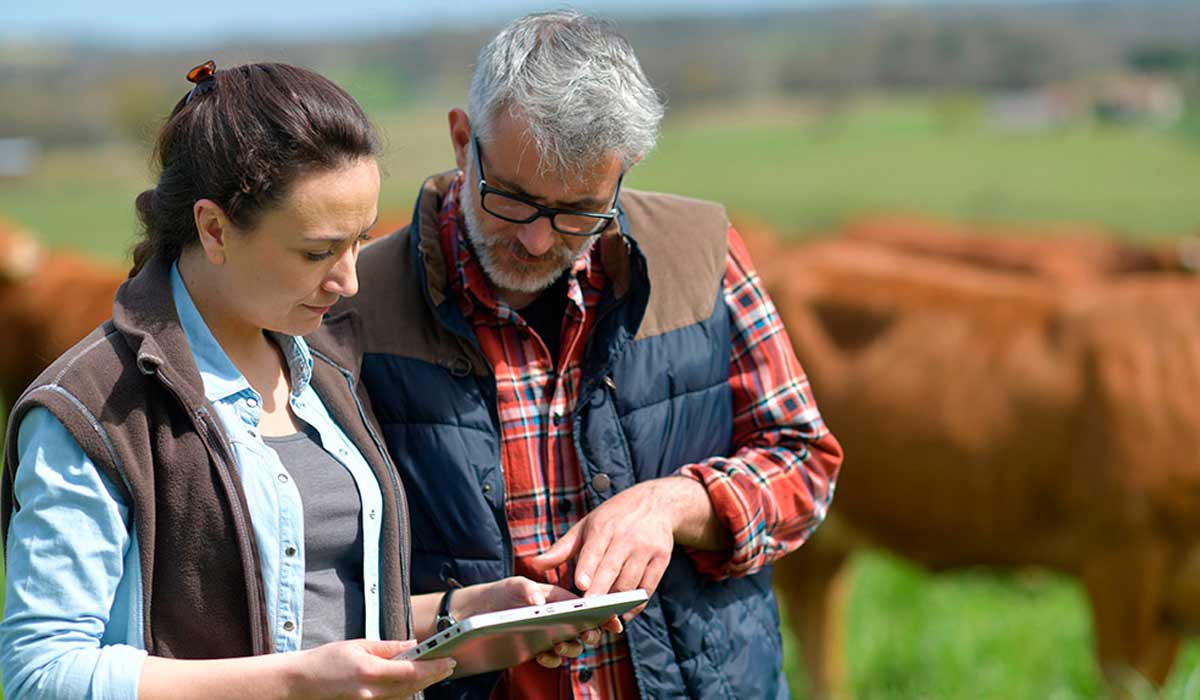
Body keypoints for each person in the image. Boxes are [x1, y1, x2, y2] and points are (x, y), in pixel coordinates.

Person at [0, 61, 595, 700]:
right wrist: (295, 684)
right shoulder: (94, 409)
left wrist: (471, 614)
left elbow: (323, 621)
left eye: (359, 242)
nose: (349, 281)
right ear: (214, 229)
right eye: (317, 252)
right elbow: (41, 674)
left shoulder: (324, 366)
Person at [334, 11, 845, 699]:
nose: (540, 241)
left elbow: (803, 461)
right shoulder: (353, 308)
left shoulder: (702, 255)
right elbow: (313, 567)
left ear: (622, 173)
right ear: (463, 141)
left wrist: (679, 503)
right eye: (512, 200)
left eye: (579, 209)